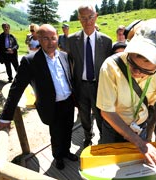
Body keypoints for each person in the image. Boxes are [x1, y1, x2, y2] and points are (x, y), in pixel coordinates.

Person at [96, 18, 156, 166]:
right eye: (132, 63)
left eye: (145, 70)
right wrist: (141, 143)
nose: (136, 72)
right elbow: (107, 112)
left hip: (141, 127)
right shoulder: (110, 67)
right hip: (113, 129)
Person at [0, 24, 78, 170]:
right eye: (45, 38)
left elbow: (70, 79)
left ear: (57, 38)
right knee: (56, 133)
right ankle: (58, 156)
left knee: (68, 129)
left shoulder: (65, 56)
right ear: (38, 39)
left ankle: (66, 152)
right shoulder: (30, 61)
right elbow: (16, 89)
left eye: (53, 38)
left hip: (68, 103)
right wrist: (5, 117)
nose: (50, 42)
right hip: (51, 106)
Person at [66, 4, 112, 148]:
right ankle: (87, 137)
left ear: (96, 16)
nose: (87, 21)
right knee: (84, 116)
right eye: (83, 18)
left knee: (101, 115)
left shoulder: (106, 41)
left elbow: (110, 67)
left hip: (100, 86)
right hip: (81, 86)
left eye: (90, 17)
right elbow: (69, 64)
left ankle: (103, 138)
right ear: (78, 18)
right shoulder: (72, 40)